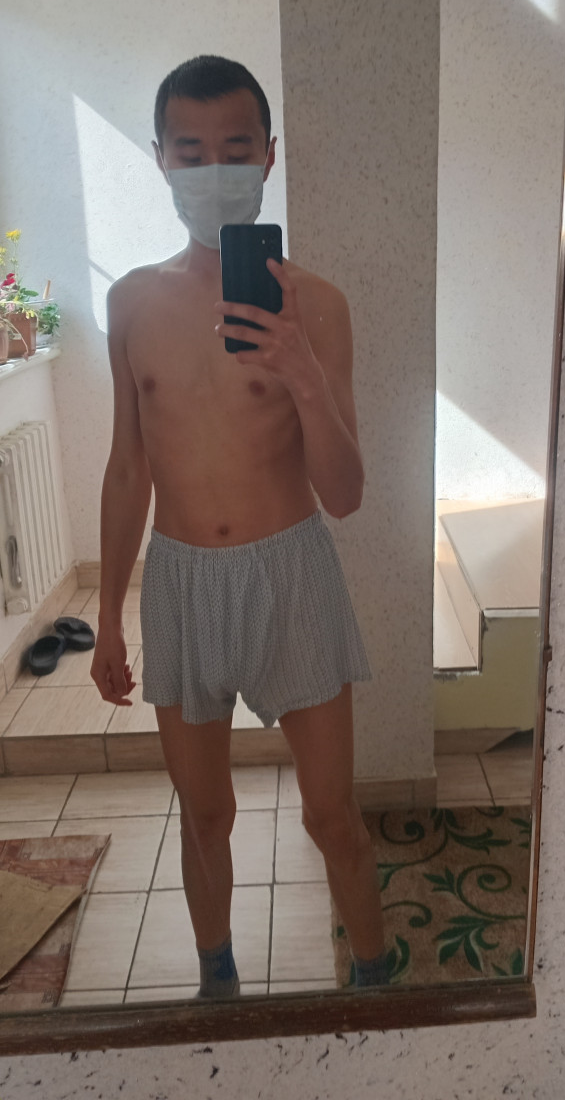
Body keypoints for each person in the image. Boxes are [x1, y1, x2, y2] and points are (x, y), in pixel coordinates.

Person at [90, 54, 389, 998]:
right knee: (204, 815)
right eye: (190, 150)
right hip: (182, 582)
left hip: (292, 573)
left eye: (234, 146)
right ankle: (216, 983)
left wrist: (299, 370)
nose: (212, 166)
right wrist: (107, 616)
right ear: (160, 158)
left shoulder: (316, 305)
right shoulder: (131, 302)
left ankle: (377, 981)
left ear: (268, 154)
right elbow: (128, 467)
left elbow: (345, 493)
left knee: (331, 816)